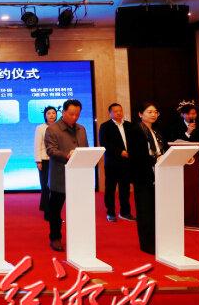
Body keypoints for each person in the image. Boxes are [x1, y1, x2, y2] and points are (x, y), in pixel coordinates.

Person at [44, 99, 88, 252]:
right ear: (63, 112)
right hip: (60, 176)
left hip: (79, 176)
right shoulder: (52, 129)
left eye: (77, 114)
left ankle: (79, 237)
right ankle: (55, 238)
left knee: (79, 209)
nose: (74, 117)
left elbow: (85, 148)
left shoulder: (81, 129)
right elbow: (51, 150)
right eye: (71, 114)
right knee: (55, 210)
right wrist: (67, 156)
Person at [128, 102, 167, 254]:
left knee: (155, 209)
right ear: (140, 114)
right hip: (143, 176)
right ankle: (147, 244)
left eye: (155, 112)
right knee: (145, 211)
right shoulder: (135, 131)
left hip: (158, 175)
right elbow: (137, 156)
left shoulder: (156, 130)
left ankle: (157, 240)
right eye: (149, 112)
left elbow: (161, 149)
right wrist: (155, 159)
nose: (153, 114)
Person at [98, 103, 135, 222]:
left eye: (120, 110)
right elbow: (104, 143)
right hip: (112, 163)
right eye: (115, 111)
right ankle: (110, 212)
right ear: (110, 113)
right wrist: (120, 152)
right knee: (110, 189)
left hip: (127, 163)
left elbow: (134, 141)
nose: (118, 113)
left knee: (125, 189)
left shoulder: (129, 125)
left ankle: (125, 212)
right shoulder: (105, 126)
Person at [33, 106, 57, 214]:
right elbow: (37, 145)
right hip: (44, 160)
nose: (51, 115)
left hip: (56, 160)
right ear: (45, 115)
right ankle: (47, 211)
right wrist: (38, 161)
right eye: (49, 113)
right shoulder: (40, 128)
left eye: (53, 113)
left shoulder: (59, 127)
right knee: (45, 186)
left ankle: (45, 206)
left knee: (54, 186)